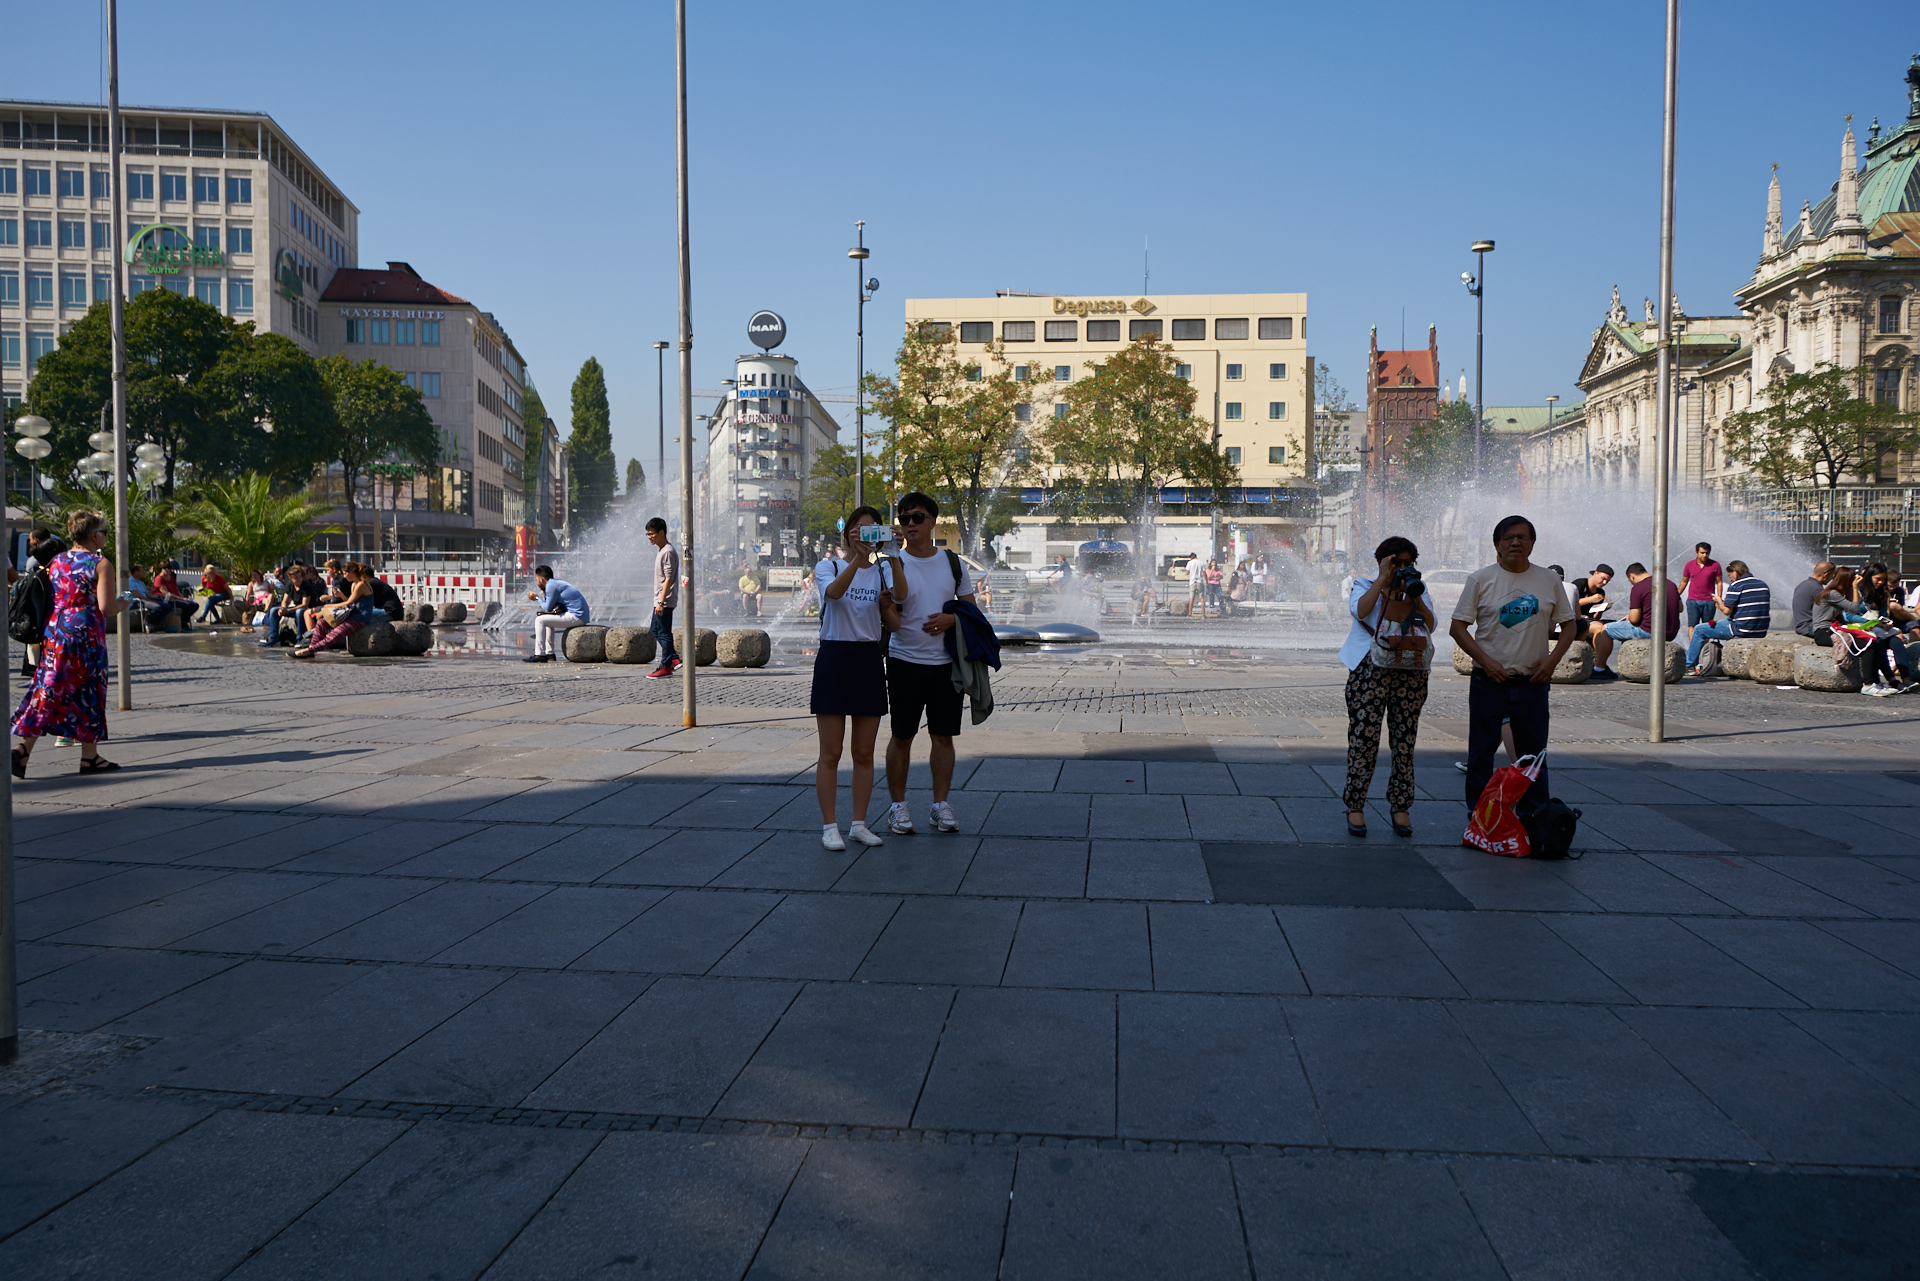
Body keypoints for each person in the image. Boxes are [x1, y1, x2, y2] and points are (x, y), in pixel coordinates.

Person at [1448, 515, 1576, 816]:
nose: (1515, 542)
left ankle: (1534, 814)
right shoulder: (1480, 579)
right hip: (1488, 681)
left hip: (1532, 681)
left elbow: (1569, 626)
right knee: (1481, 752)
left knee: (1533, 755)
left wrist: (1552, 660)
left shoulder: (1549, 580)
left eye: (1522, 537)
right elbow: (1457, 627)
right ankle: (1480, 814)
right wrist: (1486, 661)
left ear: (1532, 544)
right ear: (1497, 544)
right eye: (1508, 537)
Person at [883, 491, 975, 836]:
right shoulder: (892, 562)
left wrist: (953, 621)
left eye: (917, 518)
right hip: (904, 659)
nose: (909, 525)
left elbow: (971, 609)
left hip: (945, 663)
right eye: (904, 519)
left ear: (933, 521)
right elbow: (892, 606)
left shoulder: (953, 562)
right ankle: (898, 806)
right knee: (901, 735)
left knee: (944, 736)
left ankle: (940, 805)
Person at [11, 510, 128, 777]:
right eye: (105, 532)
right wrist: (126, 600)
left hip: (56, 631)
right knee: (89, 690)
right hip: (85, 635)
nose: (106, 537)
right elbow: (107, 607)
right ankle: (89, 758)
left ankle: (23, 749)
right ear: (94, 535)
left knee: (51, 688)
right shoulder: (100, 564)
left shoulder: (58, 561)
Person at [812, 505, 900, 852]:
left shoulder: (881, 573)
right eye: (860, 530)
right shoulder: (828, 566)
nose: (866, 537)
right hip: (834, 657)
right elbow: (832, 594)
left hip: (867, 658)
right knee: (830, 752)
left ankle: (859, 824)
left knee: (864, 752)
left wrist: (890, 560)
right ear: (848, 532)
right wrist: (855, 559)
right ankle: (829, 826)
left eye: (872, 531)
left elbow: (896, 620)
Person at [1341, 537, 1438, 839]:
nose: (1404, 567)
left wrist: (1414, 594)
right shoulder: (1363, 583)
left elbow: (1431, 625)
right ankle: (1355, 804)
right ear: (1383, 561)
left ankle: (1401, 806)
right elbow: (1360, 611)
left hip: (1409, 672)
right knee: (1363, 740)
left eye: (1409, 562)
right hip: (1368, 671)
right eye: (1397, 561)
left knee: (1404, 744)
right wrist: (1383, 579)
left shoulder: (1416, 588)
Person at [1589, 562, 1680, 678]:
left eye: (1630, 581)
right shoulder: (1670, 583)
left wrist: (1629, 617)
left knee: (1605, 629)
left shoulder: (1639, 587)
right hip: (1671, 632)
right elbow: (1680, 608)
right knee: (1624, 630)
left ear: (1632, 576)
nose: (1631, 583)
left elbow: (1634, 619)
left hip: (1648, 631)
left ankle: (1599, 668)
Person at [1686, 560, 1770, 673]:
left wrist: (1719, 601)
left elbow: (1726, 611)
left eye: (1730, 575)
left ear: (1735, 572)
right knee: (1721, 623)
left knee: (1699, 629)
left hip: (1741, 629)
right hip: (1761, 630)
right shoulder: (1763, 585)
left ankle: (1689, 665)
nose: (1730, 579)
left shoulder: (1737, 585)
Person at [294, 561, 376, 656]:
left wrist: (327, 606)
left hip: (360, 618)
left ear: (352, 572)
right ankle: (312, 648)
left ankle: (308, 651)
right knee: (321, 622)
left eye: (345, 573)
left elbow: (348, 602)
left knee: (334, 634)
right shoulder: (354, 584)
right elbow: (350, 602)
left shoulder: (361, 584)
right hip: (352, 614)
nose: (344, 576)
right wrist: (340, 595)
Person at [522, 564, 590, 663]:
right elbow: (550, 607)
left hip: (576, 616)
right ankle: (550, 654)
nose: (536, 583)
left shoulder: (551, 585)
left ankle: (539, 654)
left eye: (536, 580)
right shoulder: (555, 583)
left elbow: (547, 607)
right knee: (547, 620)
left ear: (541, 579)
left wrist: (536, 598)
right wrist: (544, 595)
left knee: (539, 620)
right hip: (580, 616)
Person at [645, 517, 682, 679]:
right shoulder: (662, 550)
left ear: (662, 532)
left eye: (652, 534)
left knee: (664, 632)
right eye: (647, 534)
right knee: (655, 630)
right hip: (660, 600)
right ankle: (673, 658)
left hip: (664, 601)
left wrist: (661, 601)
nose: (649, 537)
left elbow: (669, 578)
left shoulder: (667, 551)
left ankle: (666, 666)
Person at [1680, 542, 1723, 631]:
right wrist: (1676, 595)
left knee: (1707, 626)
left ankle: (1704, 645)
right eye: (1702, 553)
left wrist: (1719, 598)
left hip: (1709, 601)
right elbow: (1684, 581)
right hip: (1693, 600)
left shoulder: (1715, 565)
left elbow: (1719, 582)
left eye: (1707, 553)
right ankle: (1692, 645)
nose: (1705, 555)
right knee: (1692, 625)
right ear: (1696, 552)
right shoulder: (1689, 565)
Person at [1809, 567, 1857, 647]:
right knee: (1861, 644)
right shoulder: (1832, 594)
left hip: (1830, 630)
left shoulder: (1835, 593)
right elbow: (1854, 609)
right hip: (1824, 633)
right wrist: (1856, 587)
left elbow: (1839, 617)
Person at [1570, 565, 1615, 648]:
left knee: (1609, 626)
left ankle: (1601, 657)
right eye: (1603, 578)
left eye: (1607, 581)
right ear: (1595, 573)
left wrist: (1602, 609)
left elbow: (1595, 617)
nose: (1604, 583)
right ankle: (1599, 659)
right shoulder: (1579, 584)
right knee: (1599, 627)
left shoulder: (1601, 592)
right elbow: (1569, 602)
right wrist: (1590, 599)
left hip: (1590, 620)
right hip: (1575, 620)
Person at [1792, 561, 1836, 636]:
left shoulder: (1803, 584)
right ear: (1826, 575)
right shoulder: (1817, 589)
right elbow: (1829, 611)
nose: (1832, 578)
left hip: (1801, 627)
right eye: (1832, 575)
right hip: (1810, 628)